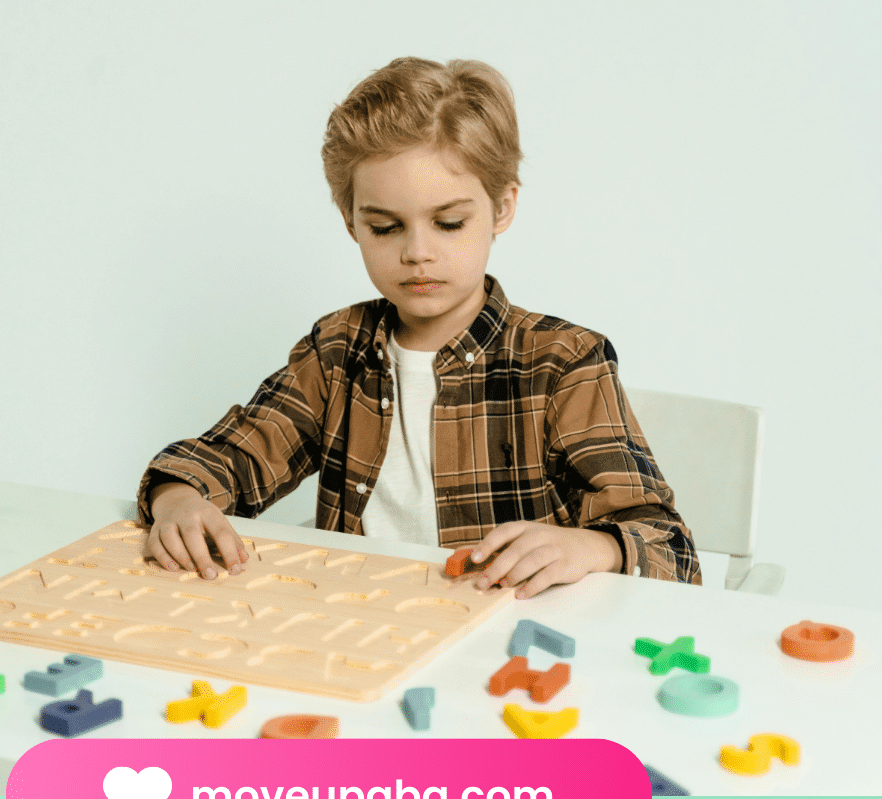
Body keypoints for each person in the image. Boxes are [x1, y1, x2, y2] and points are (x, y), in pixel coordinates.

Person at [136, 57, 699, 599]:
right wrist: (177, 499)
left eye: (449, 222)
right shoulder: (337, 351)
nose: (418, 253)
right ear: (351, 221)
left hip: (503, 638)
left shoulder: (563, 362)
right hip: (357, 628)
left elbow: (669, 546)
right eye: (385, 227)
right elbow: (225, 458)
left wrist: (592, 547)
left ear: (502, 208)